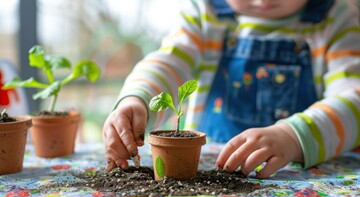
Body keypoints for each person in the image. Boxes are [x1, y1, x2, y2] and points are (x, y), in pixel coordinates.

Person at [102, 0, 360, 178]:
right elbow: (169, 62)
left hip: (299, 184)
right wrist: (138, 99)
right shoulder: (205, 13)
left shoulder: (336, 18)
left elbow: (354, 100)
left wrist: (294, 137)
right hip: (206, 179)